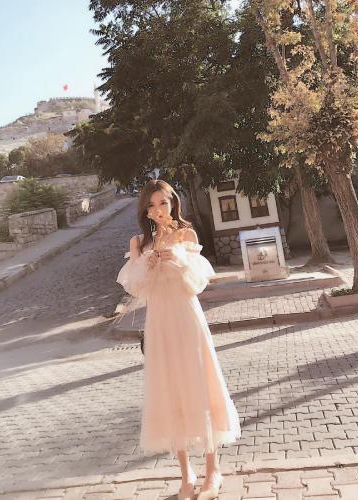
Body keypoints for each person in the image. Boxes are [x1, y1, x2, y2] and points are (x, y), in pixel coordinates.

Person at [116, 179, 241, 500]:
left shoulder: (187, 235)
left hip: (187, 318)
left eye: (163, 202)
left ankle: (213, 471)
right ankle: (186, 475)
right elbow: (136, 288)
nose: (158, 210)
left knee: (200, 383)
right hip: (159, 323)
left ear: (173, 204)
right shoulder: (139, 243)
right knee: (170, 390)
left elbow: (197, 283)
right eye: (152, 205)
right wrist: (147, 265)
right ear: (145, 210)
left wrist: (178, 260)